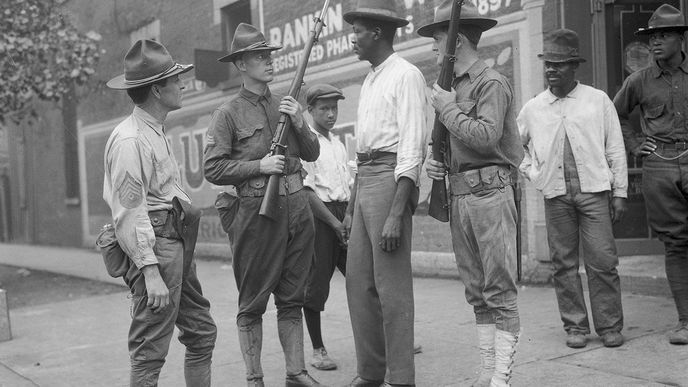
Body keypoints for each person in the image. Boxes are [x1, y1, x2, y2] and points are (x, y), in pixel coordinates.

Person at [203, 23, 323, 386]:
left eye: (269, 55)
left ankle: (296, 373)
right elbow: (212, 167)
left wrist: (300, 120)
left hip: (297, 207)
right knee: (253, 300)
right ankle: (254, 378)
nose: (269, 62)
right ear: (241, 64)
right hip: (257, 212)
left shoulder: (284, 103)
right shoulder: (228, 113)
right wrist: (259, 165)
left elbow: (313, 152)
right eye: (259, 57)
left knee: (293, 295)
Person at [101, 39, 217, 386]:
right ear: (156, 89)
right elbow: (129, 211)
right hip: (156, 250)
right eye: (174, 79)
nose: (182, 84)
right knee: (149, 353)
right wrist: (150, 272)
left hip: (174, 243)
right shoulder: (130, 140)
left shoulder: (152, 130)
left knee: (201, 333)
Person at [419, 1, 522, 386]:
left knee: (499, 290)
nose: (432, 47)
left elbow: (485, 136)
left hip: (490, 194)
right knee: (476, 292)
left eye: (437, 38)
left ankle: (500, 378)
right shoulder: (454, 87)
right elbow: (454, 145)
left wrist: (446, 110)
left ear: (457, 41)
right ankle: (487, 372)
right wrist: (438, 163)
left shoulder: (490, 82)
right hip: (461, 195)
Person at [518, 29, 628, 349]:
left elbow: (615, 148)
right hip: (556, 196)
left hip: (594, 193)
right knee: (563, 264)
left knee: (603, 261)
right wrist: (533, 172)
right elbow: (514, 146)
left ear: (574, 67)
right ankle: (575, 327)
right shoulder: (534, 107)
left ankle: (609, 325)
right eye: (548, 65)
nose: (551, 70)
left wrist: (619, 193)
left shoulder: (597, 100)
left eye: (559, 65)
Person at [341, 1, 428, 386]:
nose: (353, 37)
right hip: (365, 182)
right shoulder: (372, 78)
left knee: (391, 288)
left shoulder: (406, 75)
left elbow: (412, 146)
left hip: (390, 181)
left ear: (376, 33)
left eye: (357, 30)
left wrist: (397, 211)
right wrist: (350, 206)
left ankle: (402, 377)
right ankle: (371, 372)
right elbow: (362, 151)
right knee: (358, 283)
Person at [613, 4, 688, 345]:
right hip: (659, 165)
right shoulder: (639, 80)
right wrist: (635, 143)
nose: (656, 43)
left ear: (680, 38)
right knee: (676, 245)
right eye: (653, 36)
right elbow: (614, 114)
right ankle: (685, 322)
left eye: (664, 35)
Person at [301, 83, 350, 371]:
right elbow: (307, 193)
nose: (331, 114)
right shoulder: (308, 145)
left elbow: (348, 186)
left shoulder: (338, 144)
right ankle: (318, 349)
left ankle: (382, 337)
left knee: (361, 278)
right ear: (310, 111)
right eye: (324, 109)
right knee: (316, 285)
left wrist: (348, 218)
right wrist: (333, 223)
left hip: (343, 214)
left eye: (334, 108)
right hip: (321, 218)